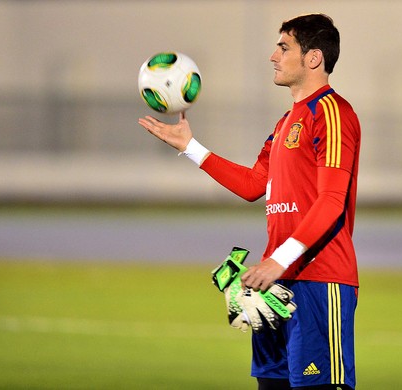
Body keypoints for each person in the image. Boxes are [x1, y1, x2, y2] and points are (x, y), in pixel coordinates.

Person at [138, 13, 360, 390]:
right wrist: (191, 148)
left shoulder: (333, 113)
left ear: (313, 58)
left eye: (284, 46)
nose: (273, 56)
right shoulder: (283, 123)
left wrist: (278, 260)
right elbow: (253, 184)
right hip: (273, 287)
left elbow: (332, 201)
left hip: (319, 281)